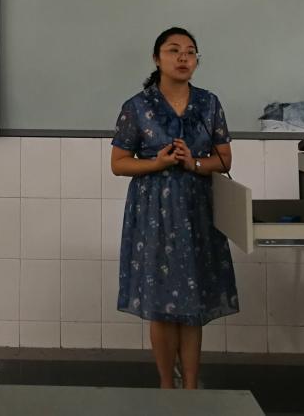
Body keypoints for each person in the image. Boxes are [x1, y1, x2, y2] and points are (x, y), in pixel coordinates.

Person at [110, 27, 239, 389]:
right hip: (154, 213)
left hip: (198, 211)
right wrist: (158, 163)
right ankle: (167, 386)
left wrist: (192, 162)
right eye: (173, 50)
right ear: (157, 58)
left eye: (190, 51)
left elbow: (224, 159)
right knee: (162, 303)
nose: (183, 57)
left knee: (192, 304)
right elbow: (118, 163)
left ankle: (191, 388)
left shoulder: (209, 104)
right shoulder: (137, 106)